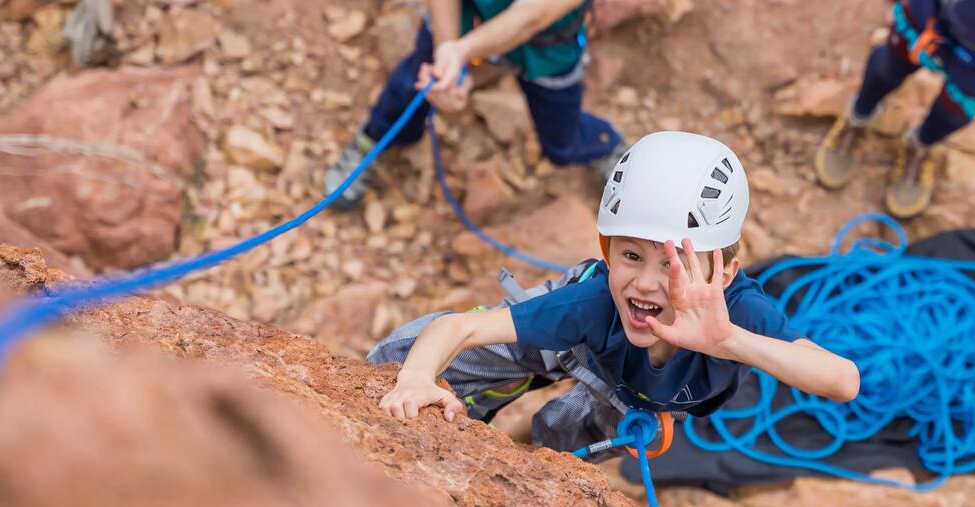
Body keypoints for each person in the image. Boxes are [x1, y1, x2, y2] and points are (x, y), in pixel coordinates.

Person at [368, 132, 861, 459]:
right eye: (630, 257)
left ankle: (514, 452)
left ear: (725, 273)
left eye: (673, 263)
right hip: (582, 331)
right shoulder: (596, 300)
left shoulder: (739, 312)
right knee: (405, 351)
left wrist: (726, 340)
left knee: (560, 438)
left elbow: (842, 380)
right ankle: (501, 400)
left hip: (634, 394)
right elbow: (459, 327)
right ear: (607, 253)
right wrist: (413, 378)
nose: (646, 282)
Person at [323, 0, 626, 207]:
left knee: (561, 138)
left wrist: (458, 52)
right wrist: (447, 53)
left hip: (546, 43)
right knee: (417, 84)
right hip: (467, 18)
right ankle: (373, 142)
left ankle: (604, 146)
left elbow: (534, 14)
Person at [814, 0, 975, 219]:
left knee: (953, 110)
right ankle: (858, 117)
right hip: (936, 12)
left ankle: (920, 145)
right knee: (889, 66)